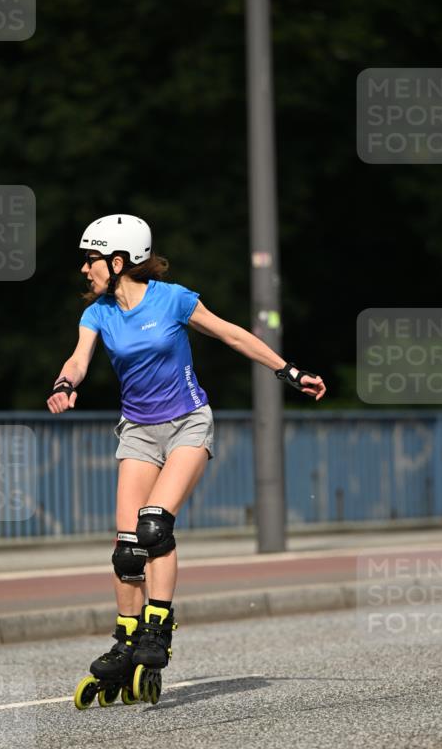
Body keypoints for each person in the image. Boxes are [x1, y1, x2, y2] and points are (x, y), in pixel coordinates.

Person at [47, 214, 326, 706]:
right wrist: (65, 384)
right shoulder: (98, 315)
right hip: (138, 432)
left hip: (187, 424)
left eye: (91, 259)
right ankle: (125, 641)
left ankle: (158, 629)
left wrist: (289, 371)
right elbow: (78, 359)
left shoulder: (172, 298)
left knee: (155, 526)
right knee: (127, 548)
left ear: (118, 261)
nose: (84, 269)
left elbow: (232, 334)